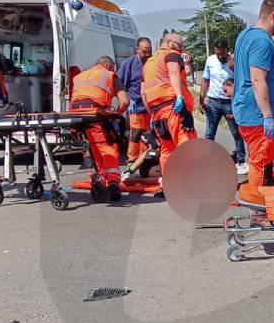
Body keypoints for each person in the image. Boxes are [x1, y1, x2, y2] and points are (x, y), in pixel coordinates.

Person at [232, 0, 274, 202]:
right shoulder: (261, 41)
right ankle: (256, 207)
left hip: (247, 109)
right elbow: (257, 79)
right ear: (273, 15)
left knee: (259, 158)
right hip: (256, 113)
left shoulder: (245, 35)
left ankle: (257, 197)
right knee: (258, 161)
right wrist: (267, 115)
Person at [142, 32, 198, 198]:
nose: (181, 49)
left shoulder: (149, 64)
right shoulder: (171, 55)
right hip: (173, 108)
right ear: (169, 43)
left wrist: (151, 113)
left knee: (167, 150)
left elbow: (143, 92)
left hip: (158, 113)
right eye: (179, 45)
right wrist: (180, 98)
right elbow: (174, 73)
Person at [70, 56, 129, 200]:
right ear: (109, 66)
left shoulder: (79, 76)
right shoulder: (109, 75)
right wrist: (115, 115)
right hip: (97, 115)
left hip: (78, 118)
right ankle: (113, 182)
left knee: (91, 150)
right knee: (107, 148)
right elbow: (125, 101)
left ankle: (98, 181)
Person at [200, 40, 247, 175]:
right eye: (217, 52)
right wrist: (201, 100)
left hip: (229, 102)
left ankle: (241, 161)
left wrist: (239, 104)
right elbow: (205, 81)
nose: (220, 55)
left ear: (227, 50)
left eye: (222, 53)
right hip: (213, 101)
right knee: (209, 133)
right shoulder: (210, 61)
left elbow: (240, 82)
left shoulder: (233, 62)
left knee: (236, 132)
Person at [117, 37, 153, 170]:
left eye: (149, 51)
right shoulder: (129, 64)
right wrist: (127, 99)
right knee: (136, 134)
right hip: (136, 106)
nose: (147, 55)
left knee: (149, 136)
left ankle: (145, 160)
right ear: (137, 50)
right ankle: (131, 161)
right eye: (144, 52)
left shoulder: (152, 63)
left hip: (150, 107)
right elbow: (119, 83)